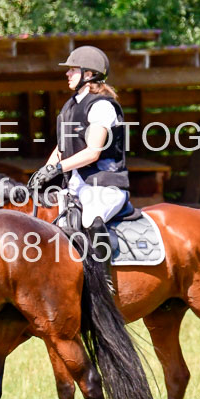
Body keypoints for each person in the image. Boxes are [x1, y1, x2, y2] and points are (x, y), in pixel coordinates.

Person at [28, 46, 128, 272]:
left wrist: (58, 168)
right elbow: (62, 146)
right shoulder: (71, 105)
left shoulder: (102, 107)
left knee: (90, 218)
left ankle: (104, 280)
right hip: (77, 185)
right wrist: (44, 171)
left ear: (89, 74)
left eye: (73, 70)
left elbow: (93, 152)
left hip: (104, 185)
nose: (67, 74)